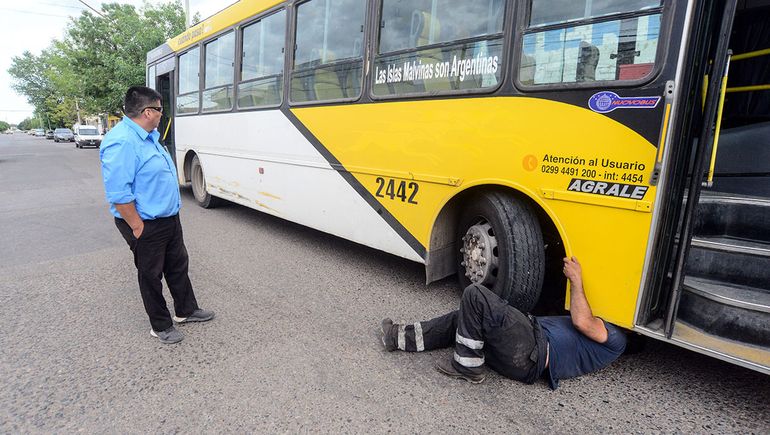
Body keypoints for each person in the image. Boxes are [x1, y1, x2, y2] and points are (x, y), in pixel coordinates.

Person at [381, 257, 626, 388]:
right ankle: (396, 337)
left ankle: (468, 367)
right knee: (465, 318)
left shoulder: (617, 338)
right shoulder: (600, 341)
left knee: (475, 295)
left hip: (532, 351)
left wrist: (577, 280)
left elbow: (583, 321)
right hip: (525, 356)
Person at [100, 86, 214, 344]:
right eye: (160, 110)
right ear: (148, 111)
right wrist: (137, 227)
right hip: (145, 222)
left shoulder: (149, 135)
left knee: (177, 265)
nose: (163, 115)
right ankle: (160, 325)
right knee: (151, 274)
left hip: (168, 218)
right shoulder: (122, 141)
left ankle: (186, 310)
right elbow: (119, 193)